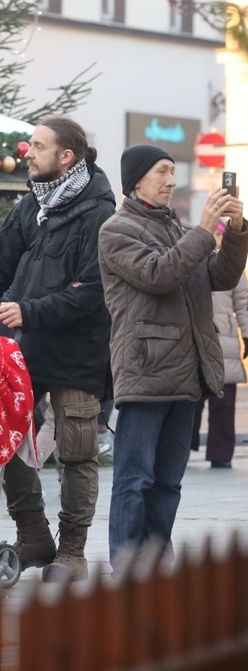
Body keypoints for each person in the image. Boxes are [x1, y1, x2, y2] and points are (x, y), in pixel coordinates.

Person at [0, 117, 115, 582]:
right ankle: (33, 534)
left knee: (76, 452)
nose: (27, 152)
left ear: (66, 156)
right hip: (24, 350)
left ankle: (72, 551)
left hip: (77, 354)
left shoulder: (97, 213)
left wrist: (30, 311)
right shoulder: (32, 205)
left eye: (37, 146)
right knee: (7, 440)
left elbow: (91, 290)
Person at [99, 144, 246, 566]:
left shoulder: (177, 229)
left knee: (168, 482)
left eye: (172, 172)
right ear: (137, 179)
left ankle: (157, 566)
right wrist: (203, 231)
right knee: (135, 480)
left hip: (187, 373)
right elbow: (158, 274)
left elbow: (219, 274)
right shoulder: (117, 229)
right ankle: (127, 567)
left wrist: (234, 230)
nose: (171, 180)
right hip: (146, 371)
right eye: (163, 172)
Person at [190, 271, 248, 469]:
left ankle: (221, 454)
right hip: (193, 337)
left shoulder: (233, 262)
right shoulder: (188, 255)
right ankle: (183, 447)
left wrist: (247, 334)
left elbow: (243, 303)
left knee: (224, 401)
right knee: (189, 400)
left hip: (225, 340)